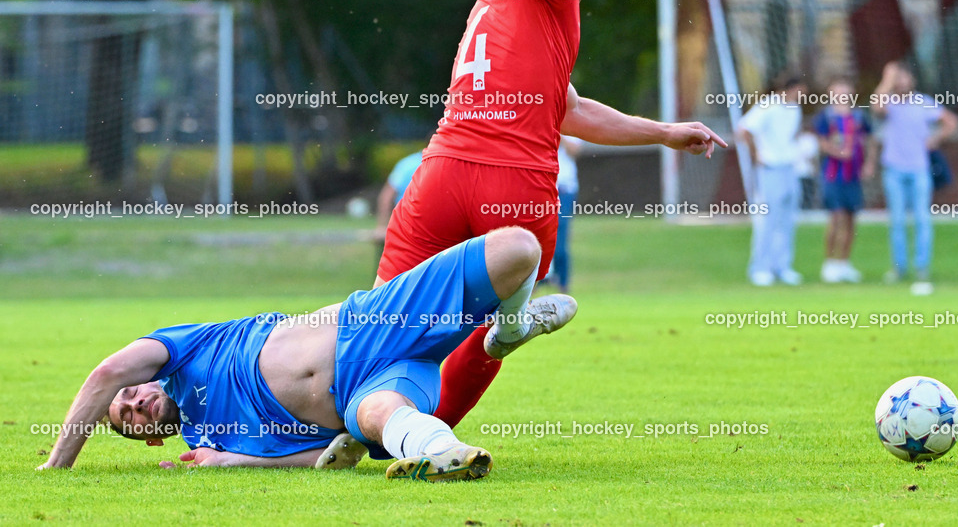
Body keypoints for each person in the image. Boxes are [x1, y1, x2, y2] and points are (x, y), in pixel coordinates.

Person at [375, 0, 726, 430]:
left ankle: (354, 421)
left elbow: (572, 110)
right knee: (493, 326)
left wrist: (664, 132)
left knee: (379, 317)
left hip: (438, 174)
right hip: (514, 184)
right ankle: (442, 409)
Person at [37, 227, 576, 482]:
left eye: (131, 395)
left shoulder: (181, 348)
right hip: (369, 390)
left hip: (366, 324)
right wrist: (230, 461)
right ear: (150, 439)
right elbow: (321, 456)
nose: (135, 403)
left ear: (148, 379)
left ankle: (509, 330)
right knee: (377, 416)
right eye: (130, 418)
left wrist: (58, 462)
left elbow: (109, 371)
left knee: (518, 249)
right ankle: (447, 454)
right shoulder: (208, 446)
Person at [871, 61, 958, 295]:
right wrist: (887, 79)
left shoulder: (923, 102)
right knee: (897, 221)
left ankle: (922, 267)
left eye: (903, 77)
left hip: (919, 168)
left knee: (922, 219)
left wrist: (935, 139)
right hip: (894, 169)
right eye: (897, 78)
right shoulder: (889, 102)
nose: (901, 82)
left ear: (912, 79)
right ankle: (899, 268)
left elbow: (950, 121)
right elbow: (876, 106)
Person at [736, 77, 807, 287]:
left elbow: (792, 135)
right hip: (770, 169)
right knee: (767, 220)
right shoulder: (768, 105)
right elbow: (744, 130)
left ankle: (782, 266)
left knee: (787, 220)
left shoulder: (794, 109)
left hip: (789, 168)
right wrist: (756, 154)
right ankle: (760, 268)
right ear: (790, 89)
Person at [814, 76, 877, 283]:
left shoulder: (858, 116)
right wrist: (839, 152)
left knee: (850, 219)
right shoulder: (826, 117)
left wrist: (869, 163)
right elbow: (822, 142)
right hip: (834, 175)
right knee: (836, 217)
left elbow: (871, 140)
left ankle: (844, 263)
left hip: (853, 176)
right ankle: (829, 263)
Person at [374, 148, 424, 244]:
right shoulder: (443, 164)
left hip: (405, 224)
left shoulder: (407, 164)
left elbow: (387, 196)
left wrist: (382, 226)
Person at [552, 135, 582, 293]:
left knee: (560, 237)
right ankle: (538, 280)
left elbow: (574, 149)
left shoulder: (569, 126)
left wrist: (558, 132)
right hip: (541, 186)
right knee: (537, 235)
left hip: (564, 188)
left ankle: (563, 282)